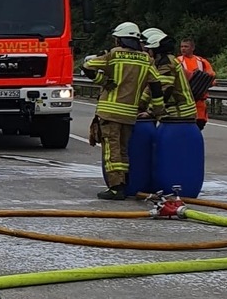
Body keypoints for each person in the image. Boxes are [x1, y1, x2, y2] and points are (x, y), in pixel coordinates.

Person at [82, 22, 165, 200]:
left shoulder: (113, 55)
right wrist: (158, 110)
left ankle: (116, 188)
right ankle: (125, 183)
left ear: (120, 39)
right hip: (129, 114)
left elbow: (87, 66)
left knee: (112, 151)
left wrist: (104, 81)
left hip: (109, 112)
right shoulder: (147, 60)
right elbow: (156, 86)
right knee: (123, 150)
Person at [141, 28, 197, 122]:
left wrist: (150, 111)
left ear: (156, 49)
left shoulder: (167, 63)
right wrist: (140, 105)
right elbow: (151, 87)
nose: (148, 52)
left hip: (180, 113)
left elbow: (164, 89)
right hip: (175, 112)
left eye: (149, 49)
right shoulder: (160, 62)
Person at [177, 38, 217, 130]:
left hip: (199, 104)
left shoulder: (202, 62)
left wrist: (206, 83)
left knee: (198, 128)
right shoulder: (177, 61)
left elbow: (212, 77)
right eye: (182, 46)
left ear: (192, 48)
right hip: (184, 103)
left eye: (186, 46)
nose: (183, 49)